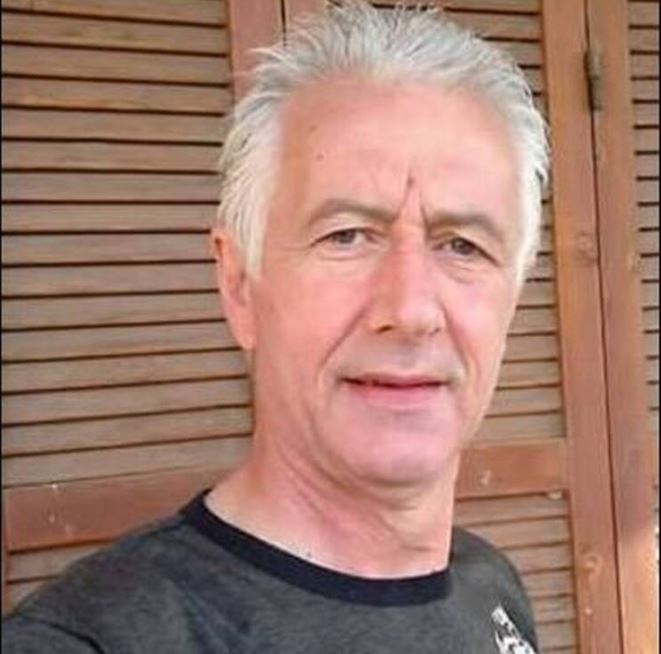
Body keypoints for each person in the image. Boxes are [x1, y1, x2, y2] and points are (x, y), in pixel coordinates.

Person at [3, 3, 548, 652]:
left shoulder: (490, 587)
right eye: (347, 235)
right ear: (239, 285)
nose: (409, 311)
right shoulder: (92, 641)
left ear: (513, 297)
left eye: (463, 246)